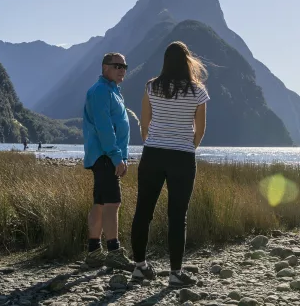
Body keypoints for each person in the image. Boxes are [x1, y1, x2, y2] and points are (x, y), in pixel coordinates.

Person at [130, 41, 210, 287]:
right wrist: (187, 147)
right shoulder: (197, 91)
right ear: (187, 61)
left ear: (165, 61)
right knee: (178, 216)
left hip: (152, 154)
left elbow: (145, 124)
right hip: (182, 158)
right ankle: (175, 274)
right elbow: (201, 130)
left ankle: (139, 268)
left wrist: (153, 143)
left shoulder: (151, 87)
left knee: (144, 211)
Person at [83, 52, 132, 270]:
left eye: (124, 66)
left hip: (104, 155)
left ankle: (94, 252)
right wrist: (116, 157)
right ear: (105, 68)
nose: (122, 70)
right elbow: (104, 128)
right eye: (117, 66)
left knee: (101, 204)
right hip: (105, 156)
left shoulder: (111, 91)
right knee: (113, 203)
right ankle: (114, 252)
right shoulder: (102, 91)